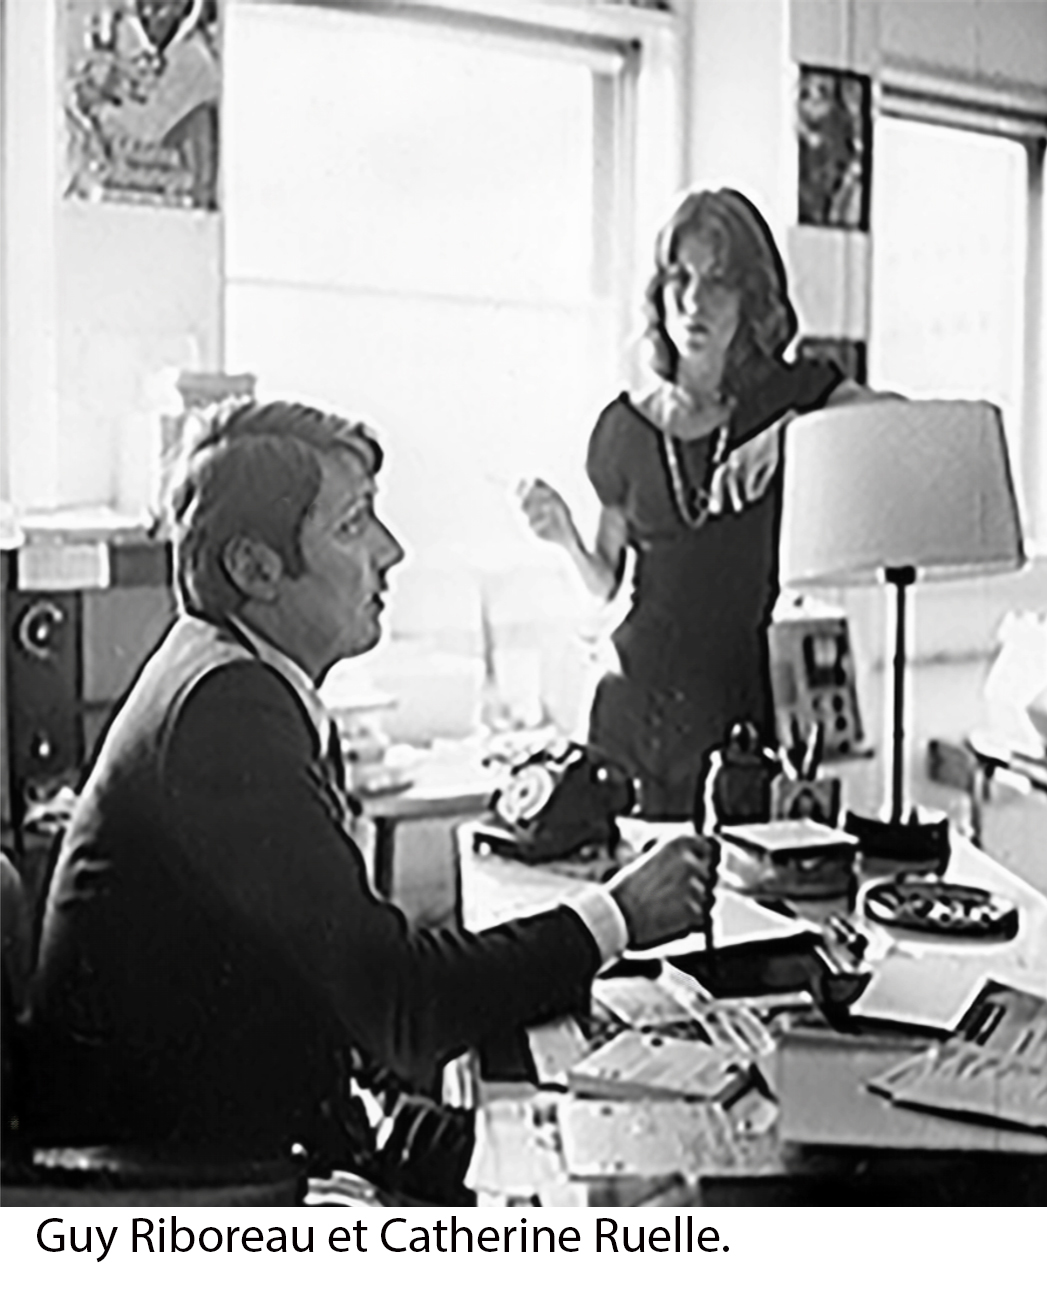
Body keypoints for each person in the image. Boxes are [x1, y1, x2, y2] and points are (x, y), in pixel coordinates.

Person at [25, 400, 715, 1177]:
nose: (392, 551)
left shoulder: (233, 672)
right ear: (255, 569)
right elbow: (401, 1006)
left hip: (266, 1113)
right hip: (199, 1182)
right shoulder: (227, 710)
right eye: (353, 525)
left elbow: (348, 978)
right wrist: (618, 914)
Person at [522, 187, 870, 820]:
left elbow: (892, 418)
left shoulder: (788, 397)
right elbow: (604, 584)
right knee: (618, 873)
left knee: (730, 875)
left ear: (752, 298)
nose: (693, 301)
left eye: (718, 281)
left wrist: (792, 432)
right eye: (679, 277)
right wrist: (565, 538)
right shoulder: (623, 428)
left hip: (734, 712)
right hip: (625, 703)